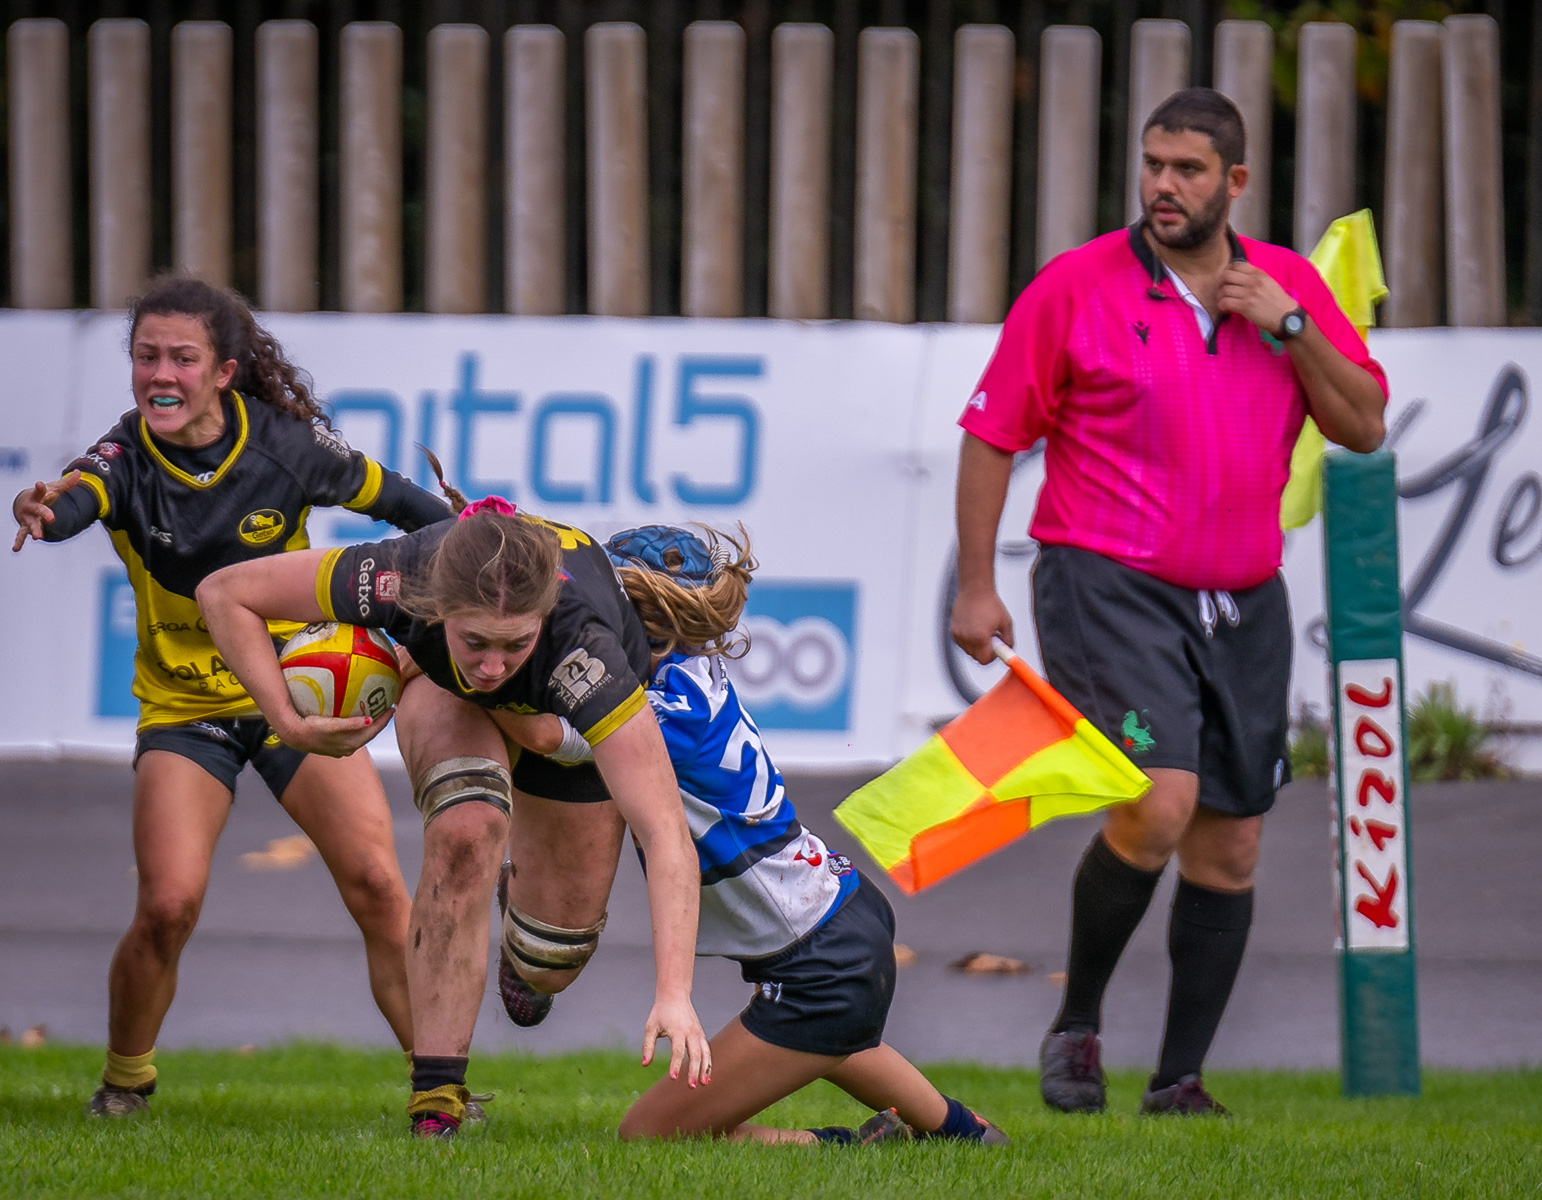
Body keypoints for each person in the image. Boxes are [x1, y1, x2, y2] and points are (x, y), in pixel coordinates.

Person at [950, 87, 1388, 1117]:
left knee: (1232, 843)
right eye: (1153, 164)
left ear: (1234, 183)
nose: (1163, 186)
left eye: (1188, 170)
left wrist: (1288, 329)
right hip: (1105, 580)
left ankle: (1179, 1080)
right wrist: (977, 584)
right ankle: (1078, 1027)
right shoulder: (1074, 287)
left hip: (1243, 595)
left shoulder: (1284, 287)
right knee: (1159, 800)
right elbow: (990, 434)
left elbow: (1364, 424)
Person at [9, 274, 449, 1117]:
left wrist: (474, 543)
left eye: (182, 357)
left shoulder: (285, 444)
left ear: (223, 371)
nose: (160, 375)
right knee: (167, 907)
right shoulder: (122, 457)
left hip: (299, 689)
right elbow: (72, 502)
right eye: (145, 357)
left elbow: (398, 501)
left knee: (377, 885)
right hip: (185, 709)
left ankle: (441, 1089)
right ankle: (126, 1078)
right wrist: (39, 510)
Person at [195, 490, 711, 1139]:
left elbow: (665, 833)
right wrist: (287, 721)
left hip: (561, 728)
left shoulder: (589, 652)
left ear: (543, 618)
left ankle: (516, 895)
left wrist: (675, 993)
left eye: (513, 643)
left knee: (549, 961)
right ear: (436, 607)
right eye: (475, 641)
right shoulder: (396, 575)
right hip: (444, 692)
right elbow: (224, 593)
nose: (493, 665)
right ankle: (436, 1099)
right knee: (468, 829)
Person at [492, 523, 1006, 1146]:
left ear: (640, 622)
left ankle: (841, 1147)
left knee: (648, 1138)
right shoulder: (686, 666)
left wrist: (463, 667)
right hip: (840, 920)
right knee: (830, 1039)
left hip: (823, 956)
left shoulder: (655, 712)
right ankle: (959, 1133)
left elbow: (546, 735)